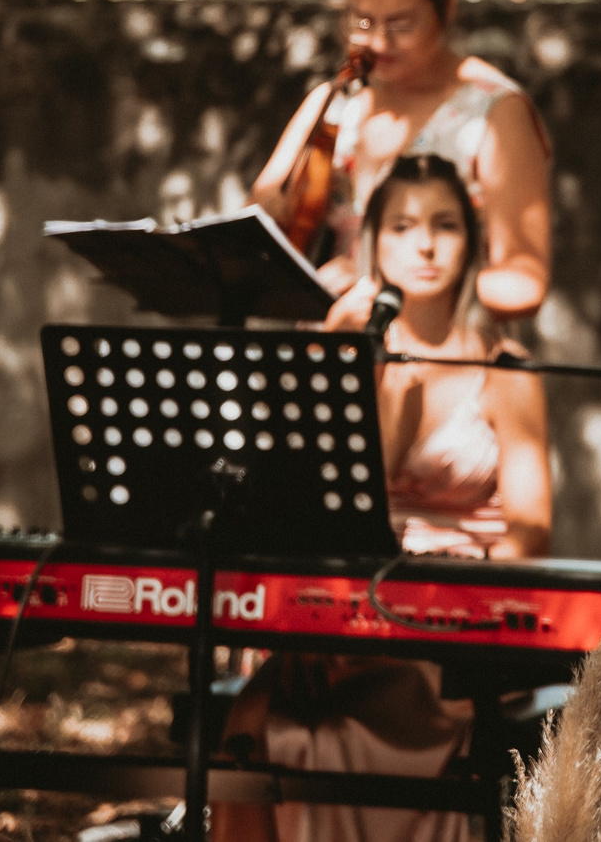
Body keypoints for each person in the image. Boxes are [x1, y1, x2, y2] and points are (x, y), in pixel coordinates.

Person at [216, 154, 552, 842]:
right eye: (401, 226)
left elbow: (531, 531)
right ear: (372, 241)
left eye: (445, 225)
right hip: (339, 602)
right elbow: (296, 504)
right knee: (257, 720)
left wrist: (454, 592)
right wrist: (339, 369)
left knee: (352, 722)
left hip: (455, 615)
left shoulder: (506, 365)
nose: (425, 245)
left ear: (472, 241)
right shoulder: (337, 348)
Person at [253, 0, 551, 319]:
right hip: (339, 354)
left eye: (401, 24)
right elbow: (254, 231)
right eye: (362, 21)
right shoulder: (336, 101)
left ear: (446, 9)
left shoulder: (495, 112)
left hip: (445, 362)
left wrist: (379, 282)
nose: (378, 42)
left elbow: (523, 284)